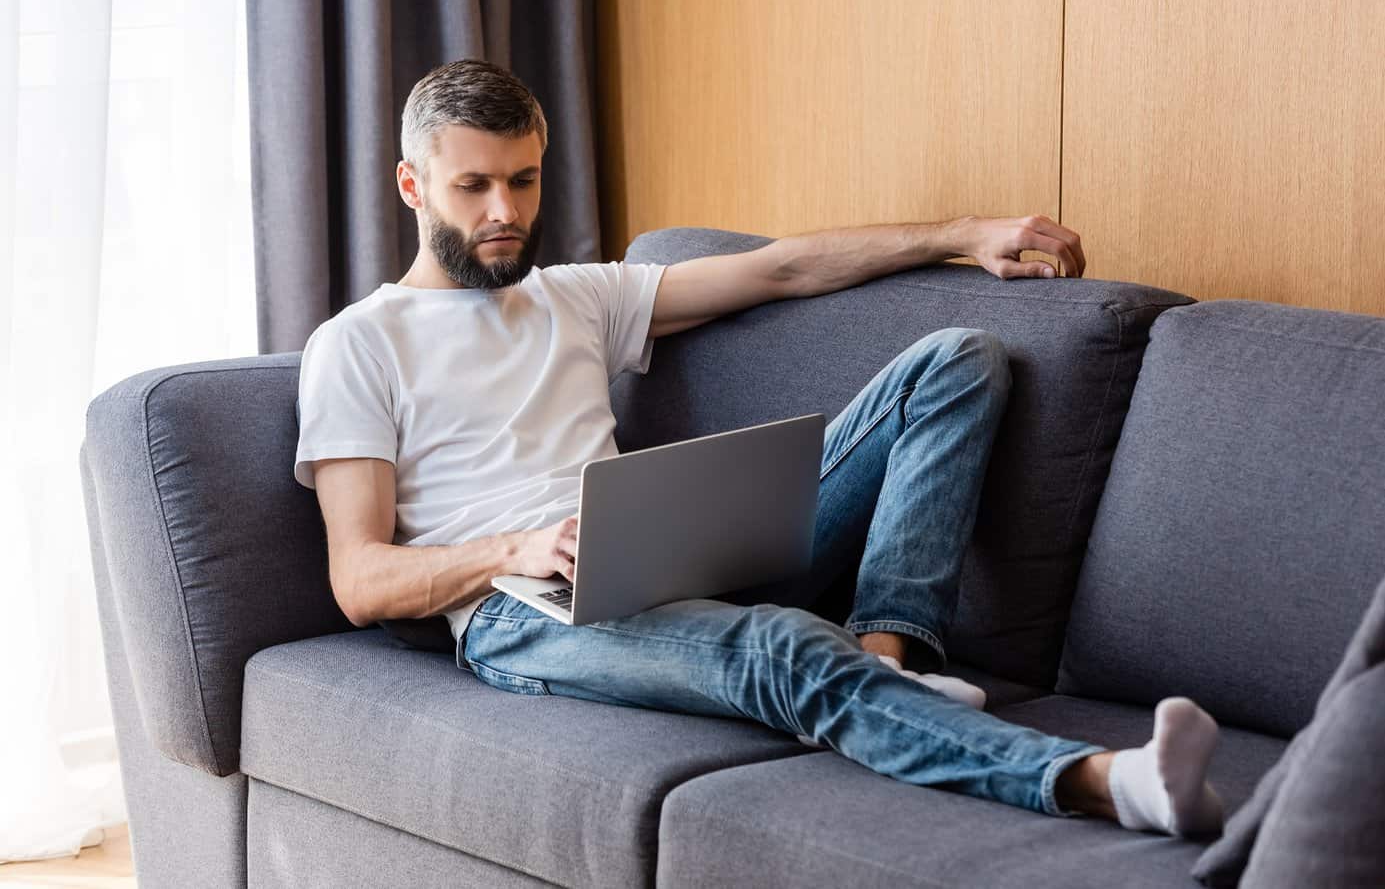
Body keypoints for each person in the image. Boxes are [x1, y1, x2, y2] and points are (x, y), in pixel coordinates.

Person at [294, 59, 1224, 837]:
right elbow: (361, 580)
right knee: (776, 647)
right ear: (414, 185)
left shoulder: (575, 296)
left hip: (666, 559)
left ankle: (887, 654)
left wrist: (964, 234)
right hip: (523, 610)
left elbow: (781, 266)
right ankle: (1106, 781)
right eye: (474, 186)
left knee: (954, 360)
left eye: (523, 180)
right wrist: (514, 549)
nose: (505, 210)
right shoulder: (360, 343)